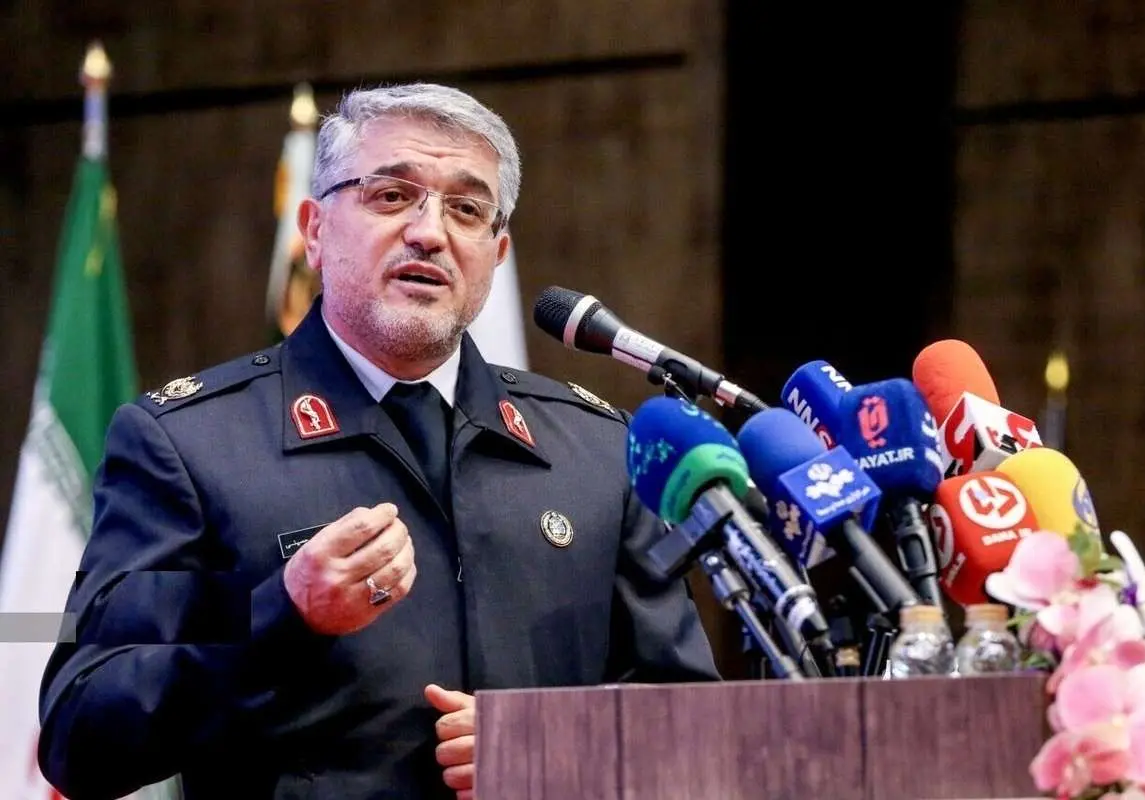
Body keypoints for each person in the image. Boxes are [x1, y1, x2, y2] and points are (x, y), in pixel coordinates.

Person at [37, 82, 719, 800]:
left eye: (466, 209)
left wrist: (560, 750)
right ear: (315, 229)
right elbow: (79, 733)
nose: (430, 233)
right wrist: (283, 617)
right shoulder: (192, 446)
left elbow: (695, 726)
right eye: (391, 196)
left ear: (497, 253)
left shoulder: (595, 452)